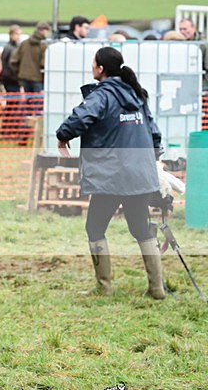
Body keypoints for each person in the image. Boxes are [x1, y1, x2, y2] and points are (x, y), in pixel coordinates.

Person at [56, 47, 164, 300]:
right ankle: (156, 288)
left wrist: (62, 136)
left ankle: (104, 288)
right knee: (141, 228)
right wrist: (153, 158)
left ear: (100, 68)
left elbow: (81, 117)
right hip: (139, 174)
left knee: (94, 227)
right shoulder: (135, 93)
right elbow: (154, 131)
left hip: (112, 176)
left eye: (93, 63)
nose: (91, 67)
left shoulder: (102, 95)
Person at [10, 21, 51, 92]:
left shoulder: (24, 43)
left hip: (24, 80)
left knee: (26, 102)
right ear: (44, 31)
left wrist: (20, 73)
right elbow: (44, 64)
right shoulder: (44, 46)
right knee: (37, 102)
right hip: (38, 80)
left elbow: (13, 61)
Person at [177, 17, 208, 88]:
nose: (182, 32)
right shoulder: (178, 44)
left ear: (193, 28)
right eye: (180, 29)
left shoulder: (204, 45)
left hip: (201, 84)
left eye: (185, 29)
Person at [0, 25, 22, 92]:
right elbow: (11, 65)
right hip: (11, 79)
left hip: (10, 79)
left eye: (20, 34)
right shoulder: (10, 48)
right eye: (16, 34)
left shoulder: (13, 47)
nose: (18, 36)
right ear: (11, 35)